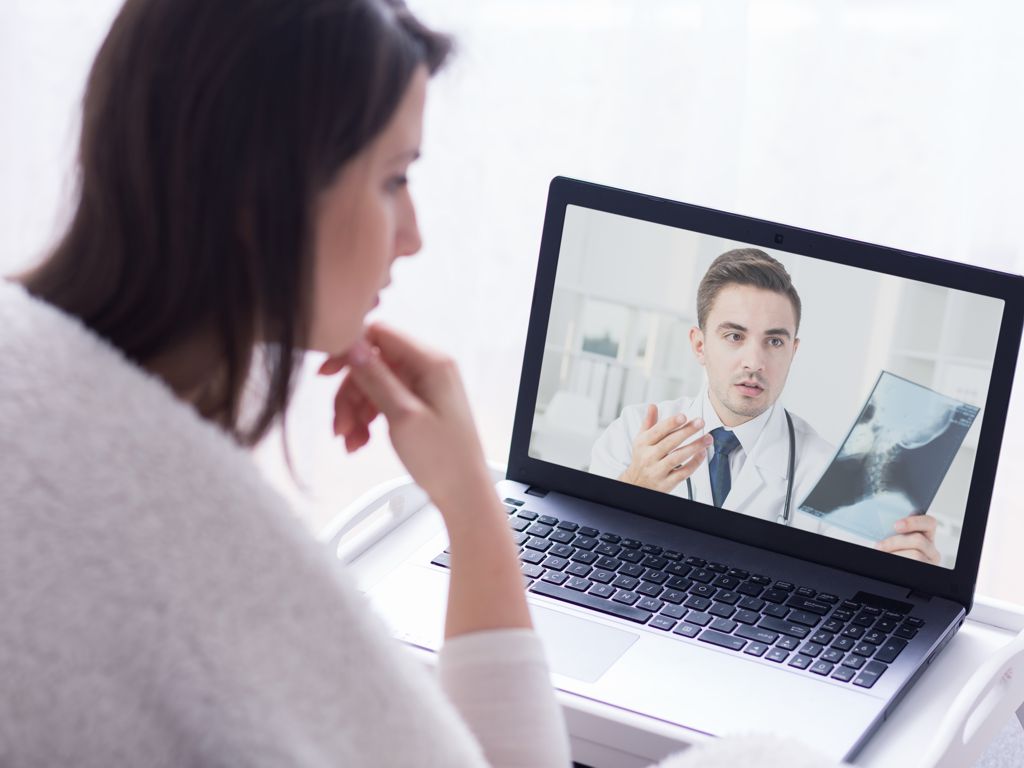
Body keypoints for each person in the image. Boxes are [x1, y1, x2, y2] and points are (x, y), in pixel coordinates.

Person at [0, 1, 575, 765]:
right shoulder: (206, 569)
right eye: (393, 180)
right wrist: (472, 502)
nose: (414, 235)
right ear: (257, 191)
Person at [589, 249, 940, 564]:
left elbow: (864, 598)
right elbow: (585, 560)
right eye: (734, 336)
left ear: (792, 352)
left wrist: (912, 576)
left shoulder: (831, 475)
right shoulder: (634, 431)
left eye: (774, 341)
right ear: (699, 345)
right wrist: (631, 489)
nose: (754, 362)